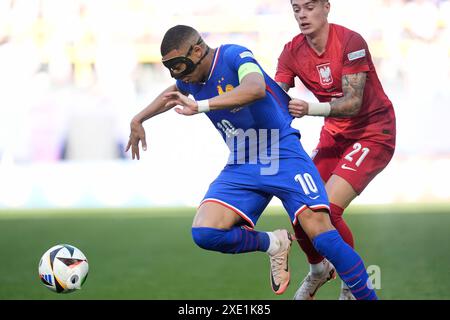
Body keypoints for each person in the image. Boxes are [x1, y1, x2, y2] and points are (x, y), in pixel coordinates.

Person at [126, 24, 378, 300]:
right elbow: (170, 94)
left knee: (323, 235)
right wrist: (138, 118)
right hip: (242, 162)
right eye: (171, 67)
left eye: (179, 65)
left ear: (197, 51)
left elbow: (255, 88)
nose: (178, 73)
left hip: (281, 152)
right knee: (204, 232)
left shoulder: (234, 55)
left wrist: (202, 106)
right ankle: (274, 243)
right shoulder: (189, 77)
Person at [275, 0, 396, 300]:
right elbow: (276, 97)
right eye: (296, 8)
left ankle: (351, 286)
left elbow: (353, 104)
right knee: (299, 207)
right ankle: (318, 270)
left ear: (326, 7)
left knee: (327, 207)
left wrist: (310, 108)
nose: (302, 14)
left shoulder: (350, 42)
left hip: (373, 133)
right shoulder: (291, 51)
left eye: (309, 7)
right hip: (334, 135)